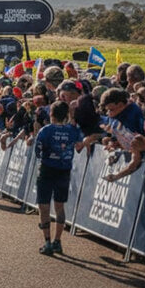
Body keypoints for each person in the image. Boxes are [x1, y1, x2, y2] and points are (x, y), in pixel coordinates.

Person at [33, 101, 84, 256]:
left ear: (51, 114)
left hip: (47, 170)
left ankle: (47, 242)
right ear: (67, 115)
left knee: (44, 206)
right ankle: (58, 241)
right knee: (59, 207)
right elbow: (80, 146)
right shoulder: (73, 130)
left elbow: (37, 151)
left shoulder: (45, 130)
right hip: (64, 170)